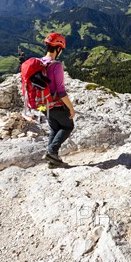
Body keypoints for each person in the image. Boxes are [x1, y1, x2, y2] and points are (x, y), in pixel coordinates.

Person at [41, 32, 75, 164]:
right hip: (54, 104)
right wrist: (71, 109)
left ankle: (52, 160)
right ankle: (51, 152)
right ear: (58, 48)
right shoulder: (56, 65)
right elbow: (61, 91)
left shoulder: (40, 63)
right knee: (67, 126)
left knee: (55, 128)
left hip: (42, 105)